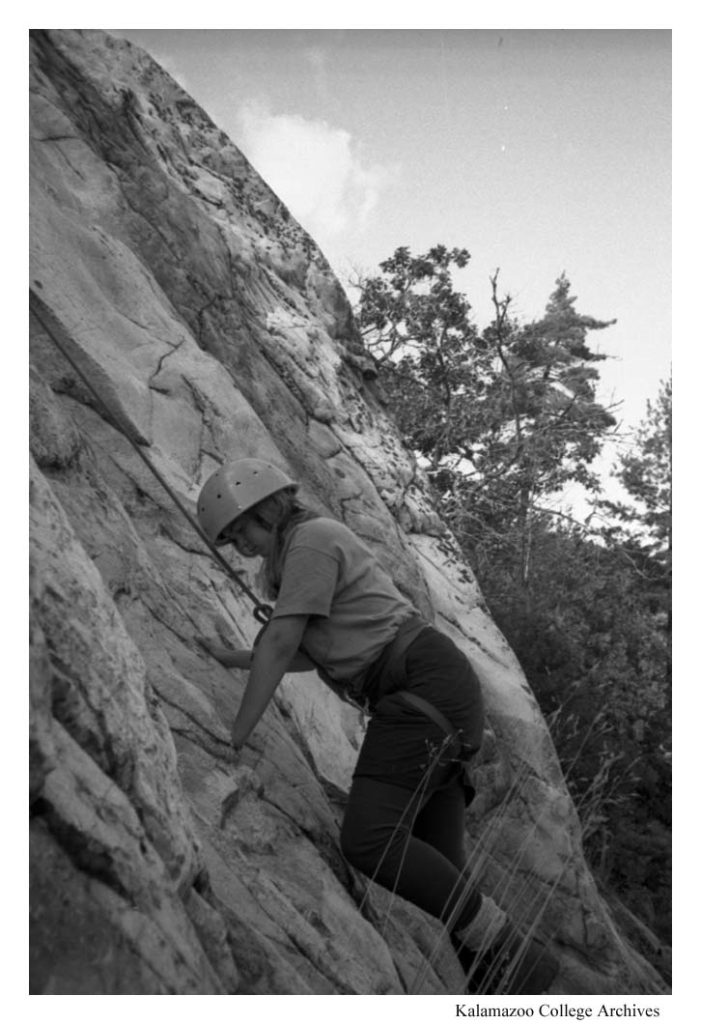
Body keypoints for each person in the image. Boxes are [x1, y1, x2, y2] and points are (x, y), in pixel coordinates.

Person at [196, 458, 558, 994]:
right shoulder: (302, 553)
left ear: (269, 507)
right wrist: (228, 658)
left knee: (369, 841)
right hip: (432, 689)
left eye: (242, 529)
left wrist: (237, 735)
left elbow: (280, 642)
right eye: (229, 540)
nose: (241, 545)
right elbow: (302, 652)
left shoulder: (312, 540)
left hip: (421, 690)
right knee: (442, 863)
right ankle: (495, 980)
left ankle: (517, 959)